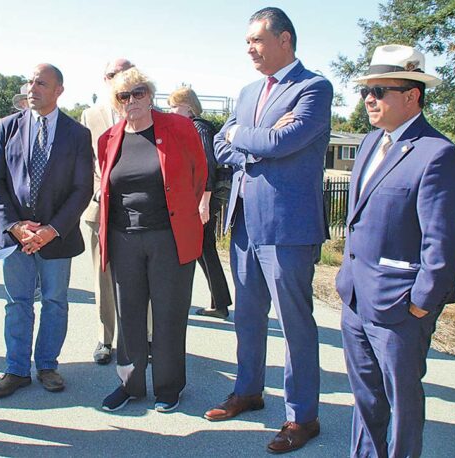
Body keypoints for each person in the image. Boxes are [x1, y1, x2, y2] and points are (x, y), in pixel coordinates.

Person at [206, 7, 333, 454]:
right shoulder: (246, 92)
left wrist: (245, 136)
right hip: (244, 223)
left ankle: (302, 417)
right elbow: (221, 145)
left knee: (295, 324)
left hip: (288, 227)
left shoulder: (313, 87)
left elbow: (284, 142)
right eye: (246, 43)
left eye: (257, 40)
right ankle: (248, 391)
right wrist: (249, 139)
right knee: (247, 317)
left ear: (285, 39)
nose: (250, 49)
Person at [336, 44, 455, 458]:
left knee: (402, 404)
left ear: (412, 95)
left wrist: (421, 303)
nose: (369, 100)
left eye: (380, 91)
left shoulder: (438, 154)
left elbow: (443, 240)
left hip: (400, 306)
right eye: (365, 92)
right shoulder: (373, 143)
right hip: (355, 297)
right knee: (365, 399)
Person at [97, 68, 206, 412]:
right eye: (124, 96)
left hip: (169, 239)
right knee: (129, 316)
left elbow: (199, 171)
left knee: (168, 314)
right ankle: (130, 385)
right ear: (116, 102)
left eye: (139, 92)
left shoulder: (178, 128)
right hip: (124, 238)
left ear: (151, 94)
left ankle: (169, 387)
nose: (132, 101)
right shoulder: (109, 138)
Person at [0, 63, 93, 398]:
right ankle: (16, 369)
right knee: (17, 303)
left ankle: (47, 365)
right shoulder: (7, 127)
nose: (32, 88)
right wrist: (15, 226)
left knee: (54, 301)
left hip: (56, 238)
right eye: (30, 81)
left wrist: (52, 230)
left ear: (59, 90)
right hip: (16, 238)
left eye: (41, 83)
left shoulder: (77, 134)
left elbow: (82, 188)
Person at [80, 58, 133, 364]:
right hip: (100, 209)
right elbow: (87, 161)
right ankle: (105, 338)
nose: (119, 79)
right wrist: (99, 187)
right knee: (103, 277)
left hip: (140, 211)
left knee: (143, 276)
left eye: (125, 72)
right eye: (113, 74)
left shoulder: (147, 110)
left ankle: (147, 336)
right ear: (105, 78)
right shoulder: (90, 115)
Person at [168, 86, 232, 319]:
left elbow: (206, 163)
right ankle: (220, 302)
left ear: (187, 107)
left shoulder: (199, 128)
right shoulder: (195, 128)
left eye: (174, 106)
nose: (171, 110)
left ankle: (220, 303)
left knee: (204, 250)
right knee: (204, 250)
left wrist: (204, 201)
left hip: (202, 200)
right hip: (199, 199)